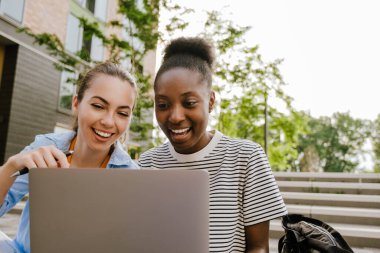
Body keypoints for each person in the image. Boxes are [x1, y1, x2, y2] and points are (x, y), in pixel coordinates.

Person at [138, 37, 287, 253]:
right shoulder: (147, 162)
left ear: (210, 101)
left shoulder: (246, 157)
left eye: (189, 103)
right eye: (163, 105)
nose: (176, 116)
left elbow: (258, 248)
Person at [0, 62, 139, 253]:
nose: (108, 122)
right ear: (76, 103)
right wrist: (11, 166)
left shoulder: (132, 175)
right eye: (98, 106)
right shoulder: (46, 147)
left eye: (122, 113)